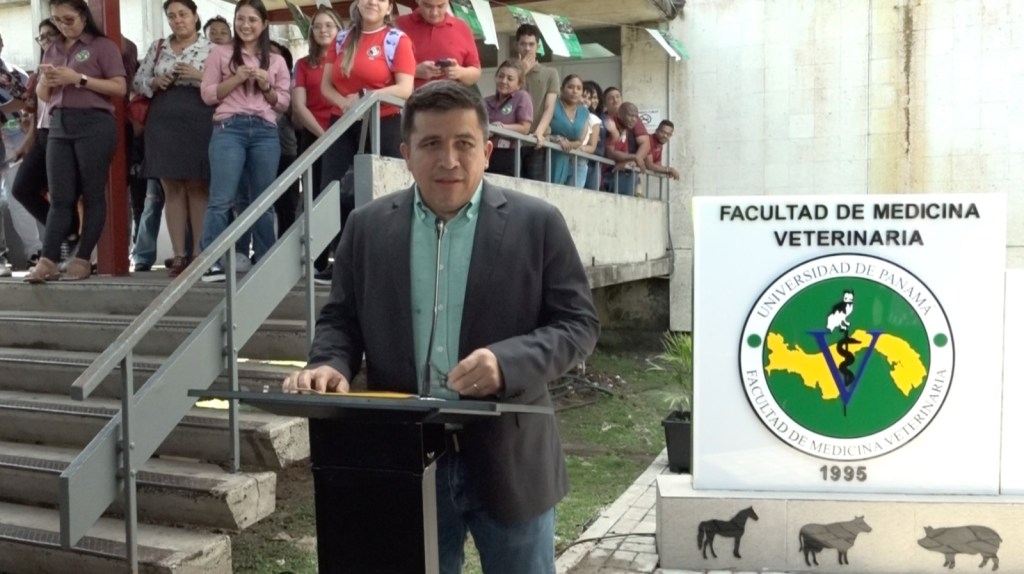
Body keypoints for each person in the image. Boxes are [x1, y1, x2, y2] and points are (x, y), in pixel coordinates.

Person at [282, 80, 600, 574]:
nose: (448, 160)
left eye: (463, 143)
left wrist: (507, 363)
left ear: (487, 152)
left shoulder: (538, 224)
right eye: (431, 144)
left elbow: (578, 324)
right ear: (406, 154)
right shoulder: (366, 227)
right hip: (406, 459)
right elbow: (341, 319)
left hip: (512, 459)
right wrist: (329, 362)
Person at [26, 0, 127, 283]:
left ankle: (83, 259)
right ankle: (48, 260)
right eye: (57, 21)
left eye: (68, 19)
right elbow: (43, 95)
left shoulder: (102, 46)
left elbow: (119, 87)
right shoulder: (54, 48)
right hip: (59, 122)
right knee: (60, 196)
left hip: (94, 123)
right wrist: (47, 80)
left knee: (92, 194)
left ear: (83, 15)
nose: (63, 26)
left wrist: (78, 78)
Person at [316, 0, 414, 282]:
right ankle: (341, 262)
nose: (372, 2)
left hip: (384, 122)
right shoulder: (341, 38)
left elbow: (405, 88)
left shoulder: (396, 40)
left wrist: (364, 98)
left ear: (389, 8)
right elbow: (326, 86)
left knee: (384, 194)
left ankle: (385, 263)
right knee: (333, 191)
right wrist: (347, 105)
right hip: (344, 122)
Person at [198, 0, 290, 282]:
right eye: (240, 19)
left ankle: (265, 259)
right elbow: (208, 94)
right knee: (222, 199)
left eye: (252, 20)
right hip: (229, 128)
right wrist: (236, 78)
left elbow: (283, 103)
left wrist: (266, 85)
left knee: (263, 200)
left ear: (264, 24)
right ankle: (211, 262)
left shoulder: (276, 60)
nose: (245, 25)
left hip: (265, 131)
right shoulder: (221, 53)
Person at [134, 0, 214, 277]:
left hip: (198, 116)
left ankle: (199, 253)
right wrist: (155, 82)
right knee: (171, 188)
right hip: (163, 118)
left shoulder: (212, 48)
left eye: (183, 14)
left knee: (197, 185)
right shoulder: (158, 47)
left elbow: (224, 85)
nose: (178, 20)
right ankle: (179, 255)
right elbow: (138, 81)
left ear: (195, 16)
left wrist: (199, 76)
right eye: (172, 16)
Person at [395, 0, 480, 90]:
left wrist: (459, 72)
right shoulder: (399, 25)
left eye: (440, 6)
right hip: (413, 96)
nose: (434, 13)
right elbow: (384, 73)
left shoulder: (461, 27)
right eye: (428, 6)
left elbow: (476, 73)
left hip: (452, 95)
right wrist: (415, 71)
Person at [514, 24, 558, 182]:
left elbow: (549, 107)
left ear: (538, 46)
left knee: (535, 188)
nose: (527, 48)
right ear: (517, 45)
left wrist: (539, 132)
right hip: (512, 139)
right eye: (523, 44)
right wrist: (521, 73)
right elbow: (505, 99)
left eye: (531, 44)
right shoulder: (509, 71)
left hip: (537, 142)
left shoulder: (550, 73)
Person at [483, 59, 531, 177]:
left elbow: (525, 128)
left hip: (508, 153)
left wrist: (501, 127)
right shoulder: (486, 101)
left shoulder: (522, 97)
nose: (504, 81)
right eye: (501, 76)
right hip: (484, 152)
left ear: (519, 84)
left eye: (510, 79)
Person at [547, 74, 588, 187]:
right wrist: (557, 139)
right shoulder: (553, 104)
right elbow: (541, 129)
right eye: (570, 87)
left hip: (571, 159)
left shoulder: (584, 112)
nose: (575, 91)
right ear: (562, 89)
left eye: (579, 88)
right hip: (549, 156)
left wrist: (568, 144)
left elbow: (580, 140)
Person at [604, 102, 650, 196]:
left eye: (636, 116)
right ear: (620, 114)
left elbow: (625, 152)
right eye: (630, 115)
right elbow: (610, 153)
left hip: (621, 171)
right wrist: (635, 157)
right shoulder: (611, 124)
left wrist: (628, 162)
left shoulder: (626, 126)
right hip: (607, 173)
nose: (634, 119)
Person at [580, 80, 604, 191]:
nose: (591, 101)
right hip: (572, 158)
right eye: (584, 96)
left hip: (592, 163)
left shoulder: (596, 119)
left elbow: (594, 146)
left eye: (593, 97)